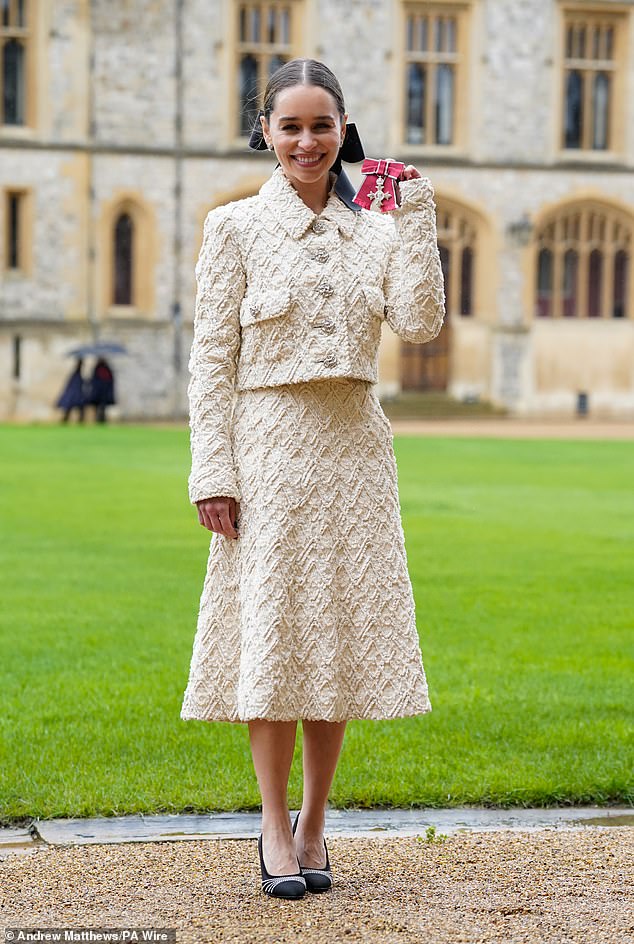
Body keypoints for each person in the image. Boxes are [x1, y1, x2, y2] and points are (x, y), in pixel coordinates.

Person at [180, 58, 445, 900]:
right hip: (267, 453)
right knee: (274, 635)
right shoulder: (232, 229)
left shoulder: (373, 227)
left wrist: (415, 217)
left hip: (356, 455)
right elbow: (211, 362)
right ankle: (269, 822)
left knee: (338, 641)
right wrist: (211, 471)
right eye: (290, 126)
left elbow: (420, 324)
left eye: (321, 126)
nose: (306, 141)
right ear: (266, 130)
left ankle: (317, 822)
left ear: (343, 129)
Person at [55, 358, 88, 423]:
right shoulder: (76, 374)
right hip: (74, 394)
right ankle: (66, 421)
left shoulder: (78, 374)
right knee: (71, 409)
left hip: (76, 394)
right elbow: (74, 385)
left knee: (77, 409)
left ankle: (79, 421)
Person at [88, 357, 115, 423]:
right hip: (98, 392)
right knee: (98, 407)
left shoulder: (105, 369)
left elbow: (110, 380)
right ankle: (98, 419)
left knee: (102, 407)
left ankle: (101, 419)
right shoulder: (97, 369)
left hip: (103, 392)